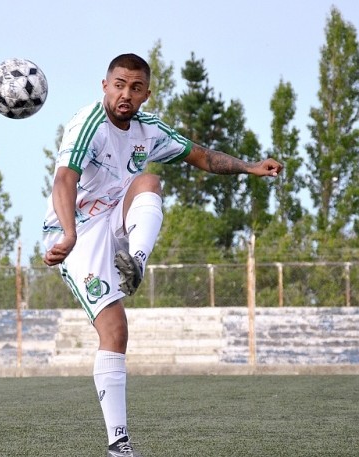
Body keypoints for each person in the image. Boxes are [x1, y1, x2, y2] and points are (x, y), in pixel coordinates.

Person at [42, 53, 282, 457]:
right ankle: (118, 444)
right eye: (119, 84)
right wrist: (67, 235)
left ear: (146, 94)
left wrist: (251, 167)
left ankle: (135, 261)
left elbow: (202, 156)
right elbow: (64, 180)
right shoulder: (88, 124)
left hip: (117, 219)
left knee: (149, 179)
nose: (125, 94)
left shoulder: (148, 130)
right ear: (104, 86)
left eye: (135, 88)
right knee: (115, 332)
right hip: (78, 232)